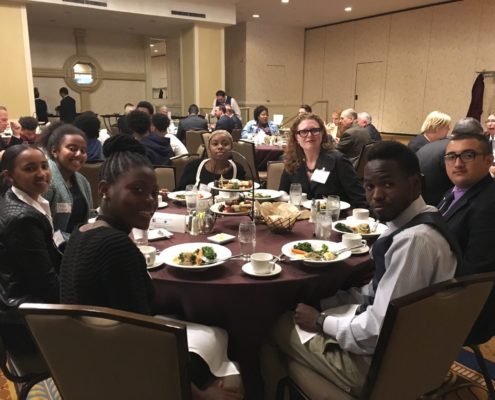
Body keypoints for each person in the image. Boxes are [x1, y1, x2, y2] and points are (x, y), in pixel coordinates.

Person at [264, 141, 458, 398]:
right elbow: (375, 292)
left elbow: (378, 332)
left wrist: (321, 321)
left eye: (387, 184)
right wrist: (324, 302)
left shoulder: (414, 241)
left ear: (415, 184)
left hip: (383, 367)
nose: (376, 195)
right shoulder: (421, 219)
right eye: (369, 186)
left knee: (269, 323)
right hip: (416, 352)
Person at [59, 135, 242, 400]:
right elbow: (139, 341)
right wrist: (199, 395)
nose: (150, 201)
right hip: (124, 375)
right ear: (104, 190)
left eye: (154, 193)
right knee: (229, 340)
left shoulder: (83, 231)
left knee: (204, 325)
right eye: (138, 190)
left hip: (85, 363)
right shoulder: (116, 246)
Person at [439, 132, 495, 344]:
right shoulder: (454, 191)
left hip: (469, 307)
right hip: (447, 287)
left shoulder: (489, 204)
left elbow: (476, 271)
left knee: (391, 315)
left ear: (488, 160)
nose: (458, 163)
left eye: (468, 155)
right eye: (451, 157)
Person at [0, 144, 60, 303]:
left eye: (44, 166)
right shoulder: (22, 220)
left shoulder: (29, 198)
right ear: (9, 176)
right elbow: (44, 283)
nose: (42, 174)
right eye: (30, 169)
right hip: (26, 306)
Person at [278, 113, 366, 207]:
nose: (310, 135)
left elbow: (359, 199)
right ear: (296, 137)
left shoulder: (338, 160)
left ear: (322, 133)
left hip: (334, 218)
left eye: (315, 130)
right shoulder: (292, 161)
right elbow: (282, 193)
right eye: (303, 131)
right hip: (300, 218)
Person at [417, 118, 483, 206]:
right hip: (439, 204)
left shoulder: (428, 146)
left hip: (419, 201)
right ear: (473, 137)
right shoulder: (457, 151)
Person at [43, 124, 93, 235]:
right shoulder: (45, 181)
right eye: (72, 148)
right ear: (55, 151)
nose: (79, 154)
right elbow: (40, 227)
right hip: (53, 246)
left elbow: (88, 216)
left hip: (77, 243)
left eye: (83, 150)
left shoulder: (82, 181)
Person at [175, 130, 246, 191]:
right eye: (215, 144)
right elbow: (180, 192)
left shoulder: (237, 169)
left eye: (225, 144)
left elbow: (244, 194)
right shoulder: (194, 166)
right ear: (209, 147)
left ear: (232, 147)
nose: (220, 147)